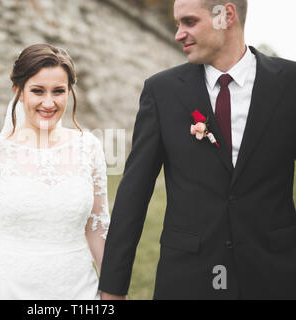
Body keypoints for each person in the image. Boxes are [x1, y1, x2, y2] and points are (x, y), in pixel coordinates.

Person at [99, 0, 296, 300]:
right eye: (178, 24)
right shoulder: (161, 91)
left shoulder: (290, 83)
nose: (179, 34)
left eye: (189, 22)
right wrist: (112, 288)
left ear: (226, 16)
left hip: (276, 276)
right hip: (187, 278)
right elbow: (134, 194)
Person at [0, 44, 110, 300]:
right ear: (18, 92)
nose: (48, 102)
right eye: (37, 91)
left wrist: (113, 290)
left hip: (77, 288)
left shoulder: (89, 147)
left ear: (69, 92)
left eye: (58, 91)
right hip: (10, 287)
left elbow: (97, 227)